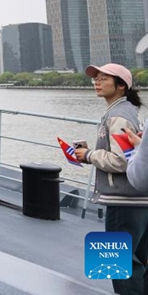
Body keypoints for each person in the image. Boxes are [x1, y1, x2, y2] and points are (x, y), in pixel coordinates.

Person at [75, 64, 148, 295]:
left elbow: (122, 160)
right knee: (140, 259)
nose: (97, 82)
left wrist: (88, 155)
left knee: (115, 263)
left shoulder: (117, 116)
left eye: (103, 78)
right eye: (95, 79)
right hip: (139, 200)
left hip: (123, 199)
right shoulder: (127, 111)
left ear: (121, 86)